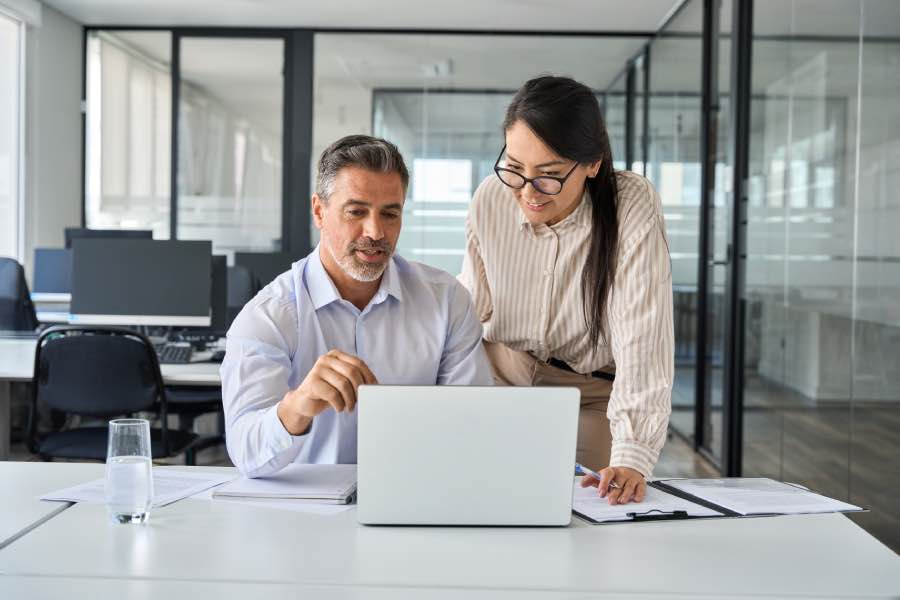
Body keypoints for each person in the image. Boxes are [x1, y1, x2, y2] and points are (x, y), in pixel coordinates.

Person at [222, 135, 493, 478]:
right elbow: (245, 451)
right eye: (357, 211)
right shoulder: (270, 315)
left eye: (390, 214)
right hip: (305, 512)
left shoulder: (446, 300)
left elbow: (473, 426)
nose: (375, 231)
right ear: (319, 211)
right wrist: (297, 406)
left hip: (415, 494)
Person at [460, 76, 673, 505]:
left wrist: (632, 454)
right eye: (515, 168)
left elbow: (643, 336)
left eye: (550, 176)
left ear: (592, 164)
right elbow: (468, 308)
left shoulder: (630, 203)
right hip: (500, 378)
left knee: (581, 510)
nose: (526, 191)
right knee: (480, 500)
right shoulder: (491, 197)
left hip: (588, 396)